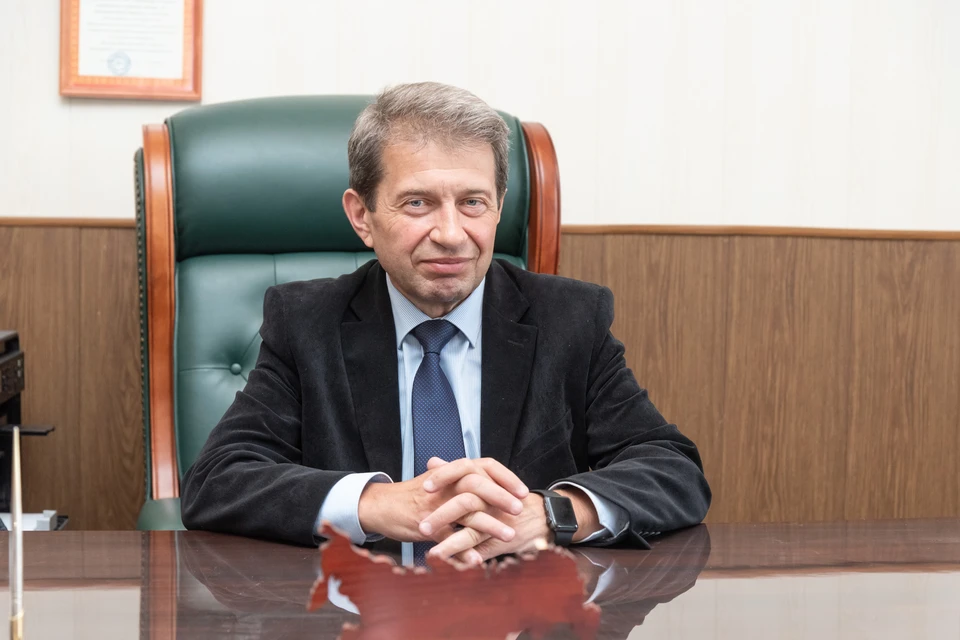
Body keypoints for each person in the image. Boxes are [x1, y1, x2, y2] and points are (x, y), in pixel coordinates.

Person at [180, 82, 711, 566]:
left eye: (473, 203)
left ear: (499, 208)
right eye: (418, 203)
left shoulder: (569, 319)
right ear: (362, 216)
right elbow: (218, 479)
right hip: (362, 610)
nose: (452, 234)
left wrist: (551, 514)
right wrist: (377, 503)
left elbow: (671, 469)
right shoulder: (307, 323)